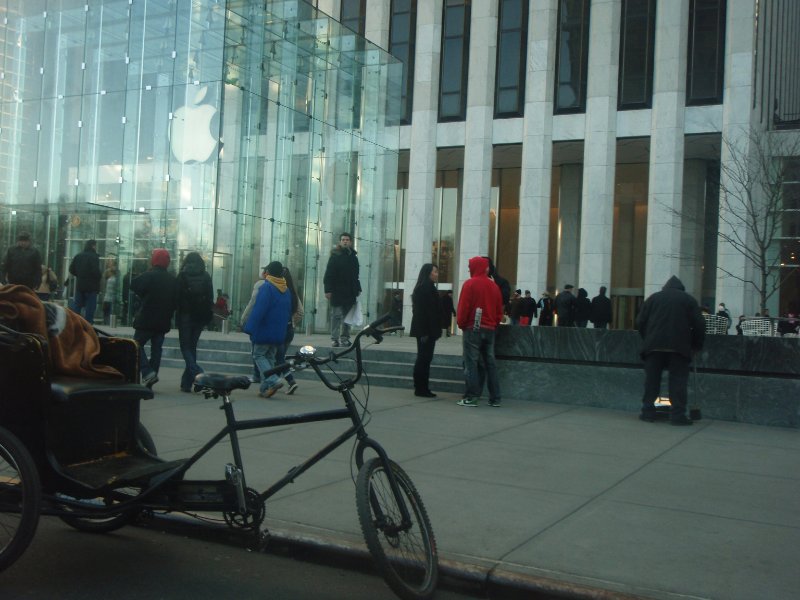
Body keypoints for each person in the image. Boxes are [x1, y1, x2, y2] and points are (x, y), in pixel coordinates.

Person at [636, 275, 705, 426]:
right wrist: (696, 345)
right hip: (679, 347)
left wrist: (647, 338)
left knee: (652, 381)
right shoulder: (688, 300)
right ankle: (678, 415)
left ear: (665, 287)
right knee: (678, 382)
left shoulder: (653, 298)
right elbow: (699, 324)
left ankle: (648, 412)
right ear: (681, 288)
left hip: (653, 346)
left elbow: (640, 321)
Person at [456, 256, 504, 408]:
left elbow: (464, 308)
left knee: (471, 363)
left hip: (472, 329)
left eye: (470, 266)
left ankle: (471, 397)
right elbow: (499, 311)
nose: (469, 269)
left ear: (475, 267)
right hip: (490, 329)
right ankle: (495, 397)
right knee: (490, 363)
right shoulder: (494, 286)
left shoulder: (470, 284)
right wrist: (494, 323)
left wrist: (462, 324)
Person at [243, 261, 292, 398]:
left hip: (265, 330)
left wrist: (249, 327)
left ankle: (273, 380)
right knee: (269, 357)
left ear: (268, 272)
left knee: (258, 355)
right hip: (278, 332)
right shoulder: (286, 290)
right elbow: (287, 312)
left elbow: (259, 310)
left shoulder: (267, 287)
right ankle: (265, 388)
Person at [131, 248, 178, 389]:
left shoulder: (148, 276)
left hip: (146, 319)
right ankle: (151, 375)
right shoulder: (172, 280)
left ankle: (147, 372)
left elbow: (133, 285)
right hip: (162, 321)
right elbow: (176, 301)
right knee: (157, 349)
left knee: (136, 345)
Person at [175, 252, 214, 393]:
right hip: (200, 316)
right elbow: (210, 297)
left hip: (185, 316)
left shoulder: (182, 276)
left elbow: (176, 297)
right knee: (192, 347)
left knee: (185, 347)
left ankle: (199, 374)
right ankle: (187, 383)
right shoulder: (205, 276)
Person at [323, 232, 361, 347]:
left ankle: (345, 338)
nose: (345, 241)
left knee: (348, 317)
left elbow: (356, 276)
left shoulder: (354, 258)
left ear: (350, 242)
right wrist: (328, 290)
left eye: (347, 239)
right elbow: (329, 274)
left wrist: (358, 288)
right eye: (343, 239)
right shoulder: (335, 257)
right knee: (336, 315)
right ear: (340, 242)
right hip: (337, 291)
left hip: (350, 292)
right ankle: (334, 339)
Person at [410, 263, 441, 398]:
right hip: (425, 331)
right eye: (435, 271)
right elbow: (420, 313)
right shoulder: (424, 289)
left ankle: (423, 387)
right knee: (423, 359)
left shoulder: (429, 288)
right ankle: (420, 388)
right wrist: (424, 332)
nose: (437, 274)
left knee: (425, 359)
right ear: (428, 273)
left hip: (428, 330)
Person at [272, 266, 303, 395]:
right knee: (279, 357)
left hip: (280, 329)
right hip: (289, 329)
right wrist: (292, 322)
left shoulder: (279, 291)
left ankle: (290, 381)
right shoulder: (292, 293)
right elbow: (300, 312)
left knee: (279, 358)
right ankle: (277, 380)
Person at [68, 239, 102, 324]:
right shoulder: (94, 257)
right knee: (90, 308)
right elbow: (96, 272)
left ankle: (75, 323)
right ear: (93, 246)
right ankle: (88, 325)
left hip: (80, 285)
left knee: (77, 305)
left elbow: (71, 269)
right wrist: (98, 277)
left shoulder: (78, 256)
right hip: (91, 286)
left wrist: (79, 274)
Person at [102, 259, 118, 325]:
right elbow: (103, 283)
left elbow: (117, 285)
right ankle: (106, 322)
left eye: (111, 263)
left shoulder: (116, 273)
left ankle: (110, 323)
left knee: (111, 310)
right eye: (109, 263)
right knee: (106, 310)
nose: (110, 265)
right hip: (106, 295)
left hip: (113, 295)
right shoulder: (106, 272)